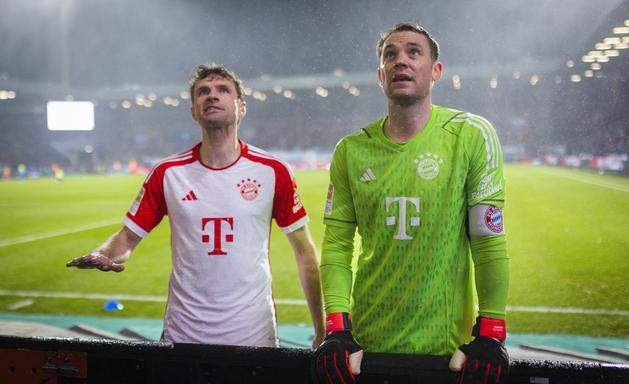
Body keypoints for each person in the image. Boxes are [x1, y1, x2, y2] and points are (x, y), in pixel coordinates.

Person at [67, 63, 325, 348]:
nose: (211, 96)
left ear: (241, 107)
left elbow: (305, 253)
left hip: (253, 336)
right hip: (183, 335)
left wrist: (321, 329)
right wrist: (104, 253)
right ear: (193, 111)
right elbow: (127, 237)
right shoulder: (167, 173)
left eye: (223, 90)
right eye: (203, 92)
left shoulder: (273, 170)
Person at [312, 23, 509, 383]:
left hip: (447, 350)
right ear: (380, 74)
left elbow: (488, 241)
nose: (400, 60)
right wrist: (337, 328)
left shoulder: (471, 135)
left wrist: (492, 331)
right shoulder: (350, 151)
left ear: (436, 71)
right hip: (367, 348)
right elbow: (338, 247)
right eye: (391, 54)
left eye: (413, 52)